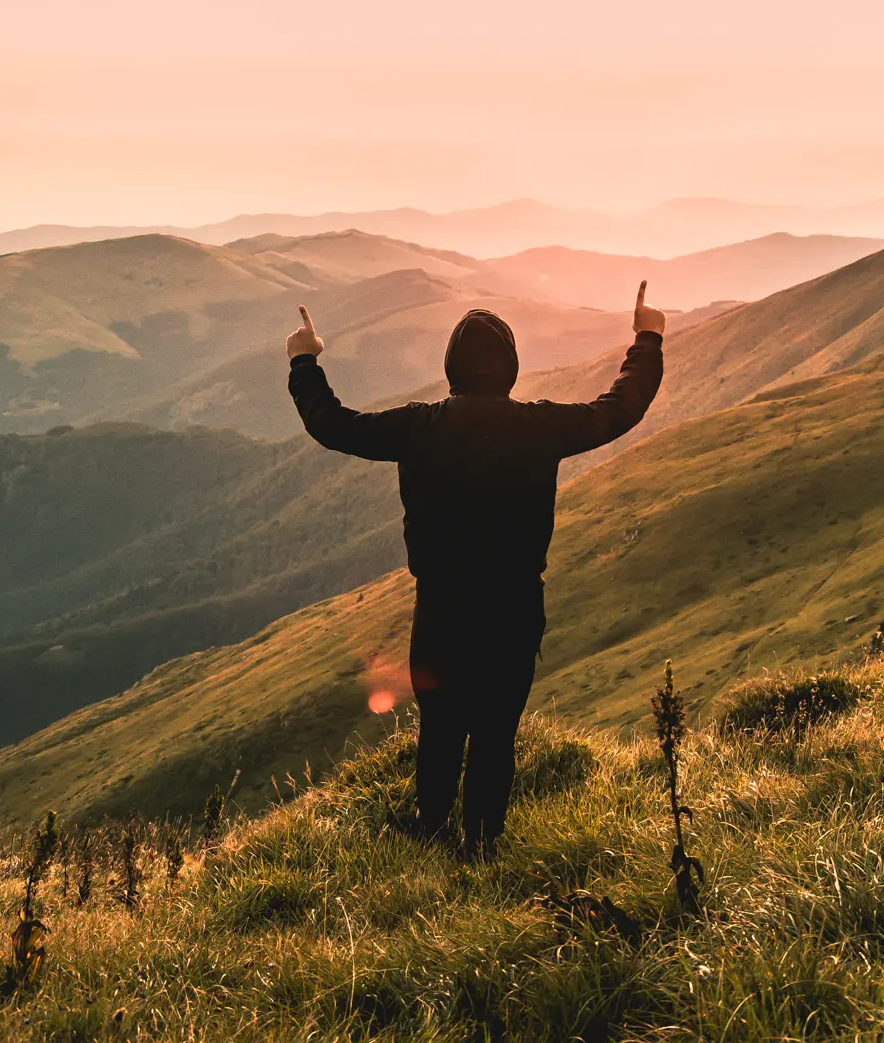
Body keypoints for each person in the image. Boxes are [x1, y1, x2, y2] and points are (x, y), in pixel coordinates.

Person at [285, 283, 665, 857]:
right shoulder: (539, 426)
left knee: (439, 729)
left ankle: (432, 832)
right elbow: (621, 407)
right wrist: (647, 337)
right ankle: (483, 847)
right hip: (515, 609)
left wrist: (304, 358)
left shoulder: (420, 426)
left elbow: (333, 424)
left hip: (441, 610)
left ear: (449, 368)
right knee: (495, 734)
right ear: (511, 368)